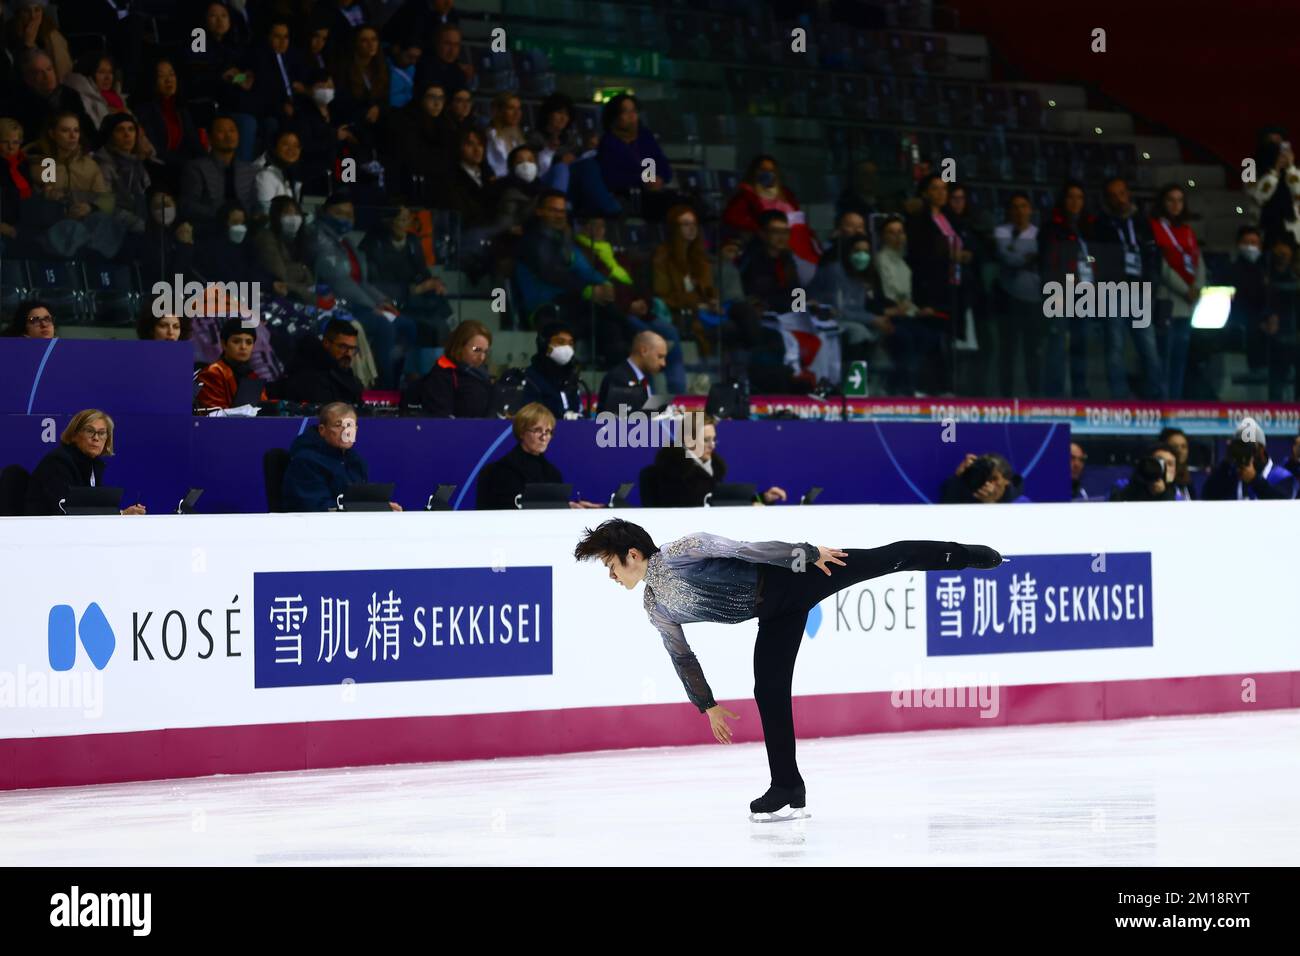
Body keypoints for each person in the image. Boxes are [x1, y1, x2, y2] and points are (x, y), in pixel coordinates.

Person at [572, 518, 1002, 817]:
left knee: (883, 559)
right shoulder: (655, 604)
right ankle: (787, 785)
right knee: (769, 691)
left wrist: (807, 553)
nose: (610, 575)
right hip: (775, 614)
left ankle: (964, 555)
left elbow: (745, 550)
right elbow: (681, 655)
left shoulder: (682, 550)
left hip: (795, 577)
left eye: (610, 565)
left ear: (632, 554)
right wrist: (708, 705)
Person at [643, 411, 786, 507]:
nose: (712, 445)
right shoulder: (669, 473)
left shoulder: (712, 468)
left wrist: (762, 498)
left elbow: (718, 502)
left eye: (713, 439)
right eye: (706, 440)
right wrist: (748, 505)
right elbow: (698, 505)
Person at [475, 402, 601, 510]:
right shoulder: (496, 472)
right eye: (537, 430)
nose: (544, 437)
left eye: (548, 431)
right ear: (521, 432)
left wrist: (567, 507)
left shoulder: (553, 474)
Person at [281, 401, 402, 512]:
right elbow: (315, 507)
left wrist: (379, 507)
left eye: (350, 426)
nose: (346, 432)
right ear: (322, 430)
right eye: (339, 425)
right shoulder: (305, 461)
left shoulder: (356, 461)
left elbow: (357, 502)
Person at [24, 408, 146, 515]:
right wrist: (120, 514)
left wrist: (121, 514)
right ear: (74, 435)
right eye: (90, 431)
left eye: (102, 433)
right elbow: (66, 509)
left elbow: (92, 507)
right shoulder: (58, 462)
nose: (96, 438)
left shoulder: (94, 464)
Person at [1039, 180, 1097, 398]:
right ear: (1063, 200)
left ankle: (1080, 393)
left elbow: (1095, 258)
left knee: (1080, 345)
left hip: (1085, 292)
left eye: (1079, 197)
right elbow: (1047, 262)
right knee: (1057, 346)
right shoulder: (1052, 227)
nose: (1075, 202)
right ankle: (1054, 395)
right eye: (1071, 197)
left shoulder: (1089, 227)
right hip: (1060, 293)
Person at [1150, 183, 1205, 401]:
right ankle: (1163, 403)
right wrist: (1185, 289)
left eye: (1180, 200)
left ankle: (1176, 401)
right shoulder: (1155, 228)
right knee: (1164, 357)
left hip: (1187, 304)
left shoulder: (1188, 231)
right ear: (1163, 203)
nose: (1175, 205)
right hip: (1168, 300)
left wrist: (1198, 288)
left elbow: (1198, 261)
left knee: (1180, 358)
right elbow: (1160, 264)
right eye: (1170, 200)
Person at [992, 191, 1043, 396]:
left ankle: (1035, 398)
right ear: (1009, 211)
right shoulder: (1002, 231)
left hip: (1033, 299)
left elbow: (1039, 258)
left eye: (1023, 206)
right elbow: (1007, 258)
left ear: (1030, 209)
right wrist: (1028, 258)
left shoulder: (1039, 234)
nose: (1019, 211)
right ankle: (1006, 398)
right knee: (1007, 352)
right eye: (1015, 207)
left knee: (1033, 352)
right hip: (1008, 298)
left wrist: (1019, 255)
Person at [179, 114, 257, 235]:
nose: (228, 135)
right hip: (211, 228)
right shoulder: (197, 167)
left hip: (245, 229)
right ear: (209, 137)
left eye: (232, 130)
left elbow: (253, 204)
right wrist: (224, 214)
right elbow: (188, 205)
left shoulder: (249, 170)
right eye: (221, 131)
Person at [408, 318, 493, 417]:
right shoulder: (442, 376)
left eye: (485, 351)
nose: (482, 357)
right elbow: (442, 418)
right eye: (476, 350)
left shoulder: (482, 374)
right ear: (460, 347)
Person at [1200, 417, 1297, 500]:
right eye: (1240, 446)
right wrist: (1225, 463)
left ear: (1261, 448)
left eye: (1248, 446)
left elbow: (1284, 504)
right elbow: (1206, 497)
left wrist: (1255, 480)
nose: (1245, 451)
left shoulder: (1281, 476)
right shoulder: (1232, 476)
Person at [280, 317, 365, 407]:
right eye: (343, 347)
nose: (348, 353)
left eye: (352, 349)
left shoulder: (347, 375)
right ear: (326, 343)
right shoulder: (309, 376)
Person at [194, 317, 269, 410]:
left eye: (249, 342)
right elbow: (214, 415)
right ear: (223, 344)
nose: (243, 347)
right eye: (236, 341)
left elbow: (264, 410)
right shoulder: (211, 373)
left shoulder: (253, 376)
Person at [519, 319, 582, 418]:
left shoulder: (571, 379)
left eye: (570, 343)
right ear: (544, 344)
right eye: (560, 342)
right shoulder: (530, 379)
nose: (567, 348)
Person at [597, 330, 667, 413]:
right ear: (644, 351)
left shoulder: (642, 377)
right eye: (660, 356)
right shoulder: (619, 378)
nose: (663, 363)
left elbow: (642, 409)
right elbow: (623, 420)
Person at [1108, 443, 1184, 502]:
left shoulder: (1179, 497)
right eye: (1159, 462)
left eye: (1170, 464)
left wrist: (1164, 494)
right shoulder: (1122, 485)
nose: (1164, 468)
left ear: (1175, 471)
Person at [940, 453, 1024, 504]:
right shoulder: (964, 491)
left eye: (994, 479)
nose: (987, 484)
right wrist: (957, 479)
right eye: (985, 477)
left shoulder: (1020, 502)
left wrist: (990, 504)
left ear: (1007, 480)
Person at [1157, 426, 1196, 499]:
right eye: (1175, 447)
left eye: (1183, 446)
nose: (1180, 451)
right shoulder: (1156, 479)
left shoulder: (1189, 479)